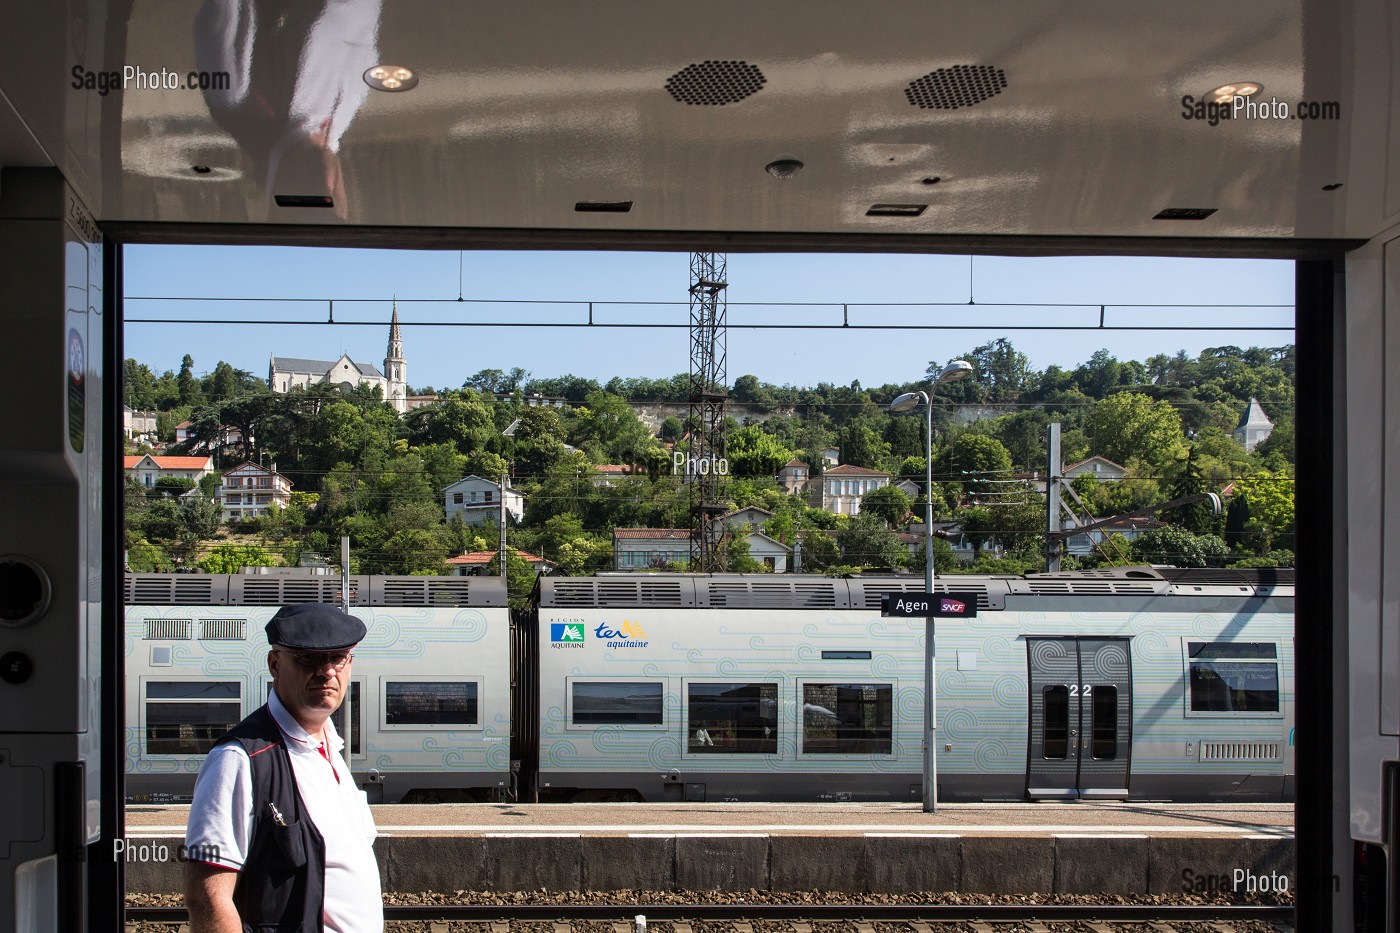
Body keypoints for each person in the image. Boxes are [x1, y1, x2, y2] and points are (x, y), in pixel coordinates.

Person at [184, 604, 382, 933]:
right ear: (275, 664)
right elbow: (207, 897)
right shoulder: (239, 759)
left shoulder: (330, 747)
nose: (327, 671)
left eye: (338, 657)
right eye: (308, 658)